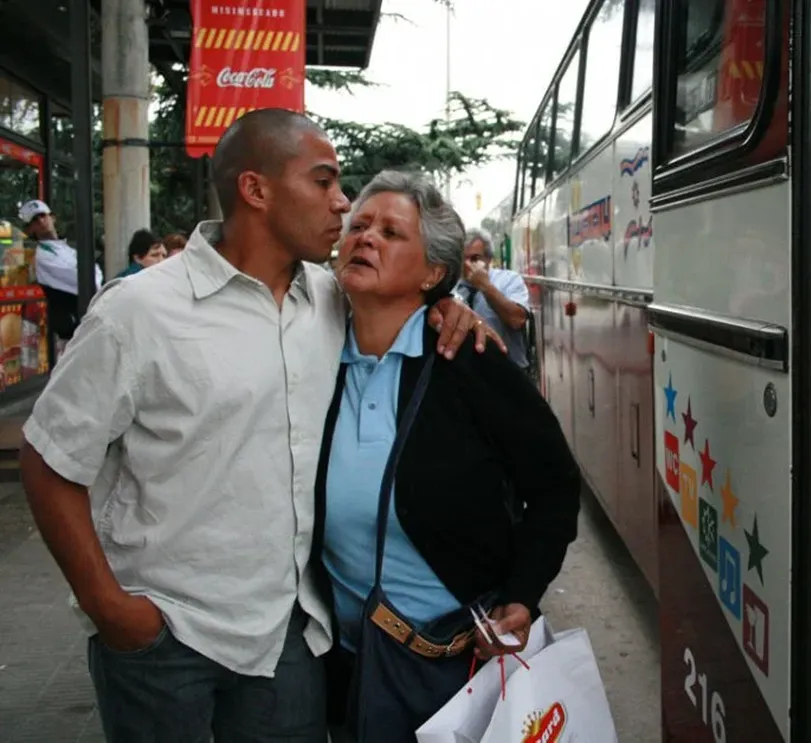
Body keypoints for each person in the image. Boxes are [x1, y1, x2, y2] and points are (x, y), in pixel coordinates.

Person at [18, 110, 499, 743]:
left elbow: (405, 297)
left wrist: (449, 309)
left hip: (289, 635)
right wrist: (112, 610)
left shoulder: (329, 300)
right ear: (256, 189)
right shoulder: (139, 311)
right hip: (165, 639)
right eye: (324, 182)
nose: (342, 202)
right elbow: (48, 460)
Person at [317, 170, 581, 741]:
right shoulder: (310, 354)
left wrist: (522, 595)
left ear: (434, 272)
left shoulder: (467, 359)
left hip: (454, 662)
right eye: (359, 225)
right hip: (341, 657)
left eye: (391, 232)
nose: (365, 237)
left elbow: (556, 484)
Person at [19, 198, 103, 347]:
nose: (41, 221)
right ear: (30, 229)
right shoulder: (43, 257)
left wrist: (92, 273)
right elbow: (86, 280)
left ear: (53, 218)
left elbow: (94, 272)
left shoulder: (67, 249)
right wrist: (91, 273)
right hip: (72, 333)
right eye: (35, 220)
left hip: (86, 326)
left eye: (43, 215)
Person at [454, 227, 532, 370]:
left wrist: (484, 286)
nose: (467, 265)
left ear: (488, 259)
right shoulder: (452, 287)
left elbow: (516, 320)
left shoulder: (509, 280)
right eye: (462, 259)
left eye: (474, 259)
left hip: (507, 370)